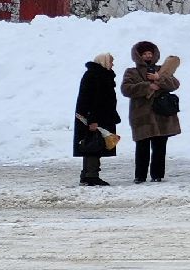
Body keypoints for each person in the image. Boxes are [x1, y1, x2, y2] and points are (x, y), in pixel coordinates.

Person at [119, 40, 182, 184]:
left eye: (150, 53)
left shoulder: (162, 70)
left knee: (160, 147)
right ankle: (140, 176)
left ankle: (157, 175)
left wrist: (159, 79)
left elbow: (175, 84)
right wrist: (148, 86)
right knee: (142, 147)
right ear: (138, 56)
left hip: (161, 114)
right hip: (141, 116)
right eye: (144, 54)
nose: (147, 56)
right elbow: (126, 89)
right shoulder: (131, 72)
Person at [74, 53, 120, 187]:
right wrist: (92, 120)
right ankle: (91, 175)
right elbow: (89, 100)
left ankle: (87, 174)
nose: (112, 64)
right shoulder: (94, 75)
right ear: (103, 62)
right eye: (111, 61)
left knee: (94, 144)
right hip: (95, 118)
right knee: (93, 145)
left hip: (102, 117)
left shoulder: (102, 74)